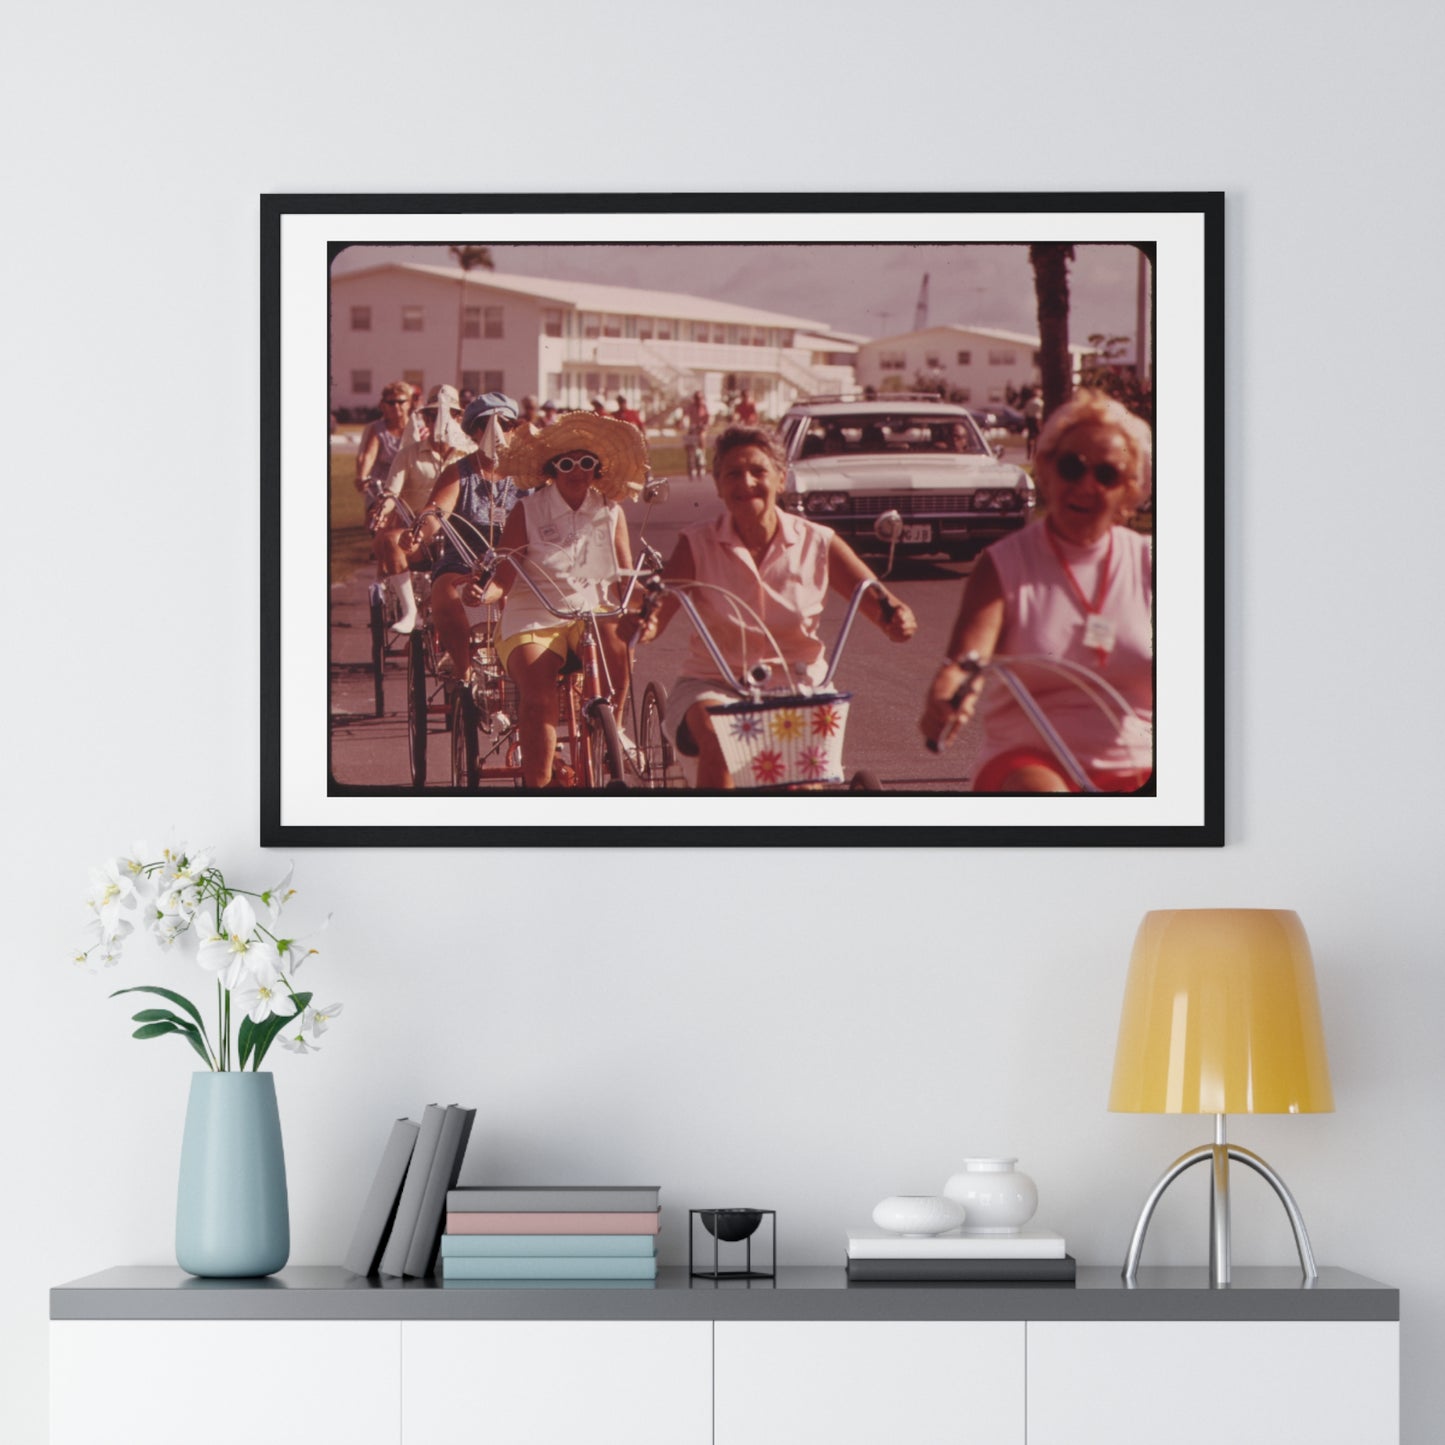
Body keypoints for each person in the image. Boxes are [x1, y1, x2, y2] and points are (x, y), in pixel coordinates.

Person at [631, 427, 917, 789]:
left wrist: (897, 620)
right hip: (715, 683)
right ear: (718, 486)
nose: (746, 483)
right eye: (733, 474)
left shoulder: (818, 541)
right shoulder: (696, 543)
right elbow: (657, 612)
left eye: (758, 472)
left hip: (801, 685)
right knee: (722, 739)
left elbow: (880, 602)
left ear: (781, 480)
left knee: (804, 778)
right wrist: (641, 625)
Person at [919, 388, 1154, 792]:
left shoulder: (1151, 563)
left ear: (1129, 490)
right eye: (1072, 467)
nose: (1086, 485)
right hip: (1030, 758)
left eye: (1106, 475)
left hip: (1138, 758)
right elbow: (966, 660)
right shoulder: (1004, 563)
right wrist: (950, 692)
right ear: (1045, 469)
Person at [490, 413, 648, 788]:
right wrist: (484, 591)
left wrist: (655, 594)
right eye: (566, 464)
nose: (577, 472)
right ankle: (540, 787)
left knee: (618, 644)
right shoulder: (527, 510)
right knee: (538, 699)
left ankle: (614, 730)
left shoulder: (609, 510)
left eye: (586, 462)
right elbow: (503, 577)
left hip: (593, 611)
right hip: (534, 615)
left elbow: (625, 579)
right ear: (552, 469)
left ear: (597, 469)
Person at [402, 393, 522, 679]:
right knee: (444, 592)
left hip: (519, 561)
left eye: (505, 425)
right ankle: (464, 668)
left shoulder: (528, 475)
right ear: (473, 432)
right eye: (485, 425)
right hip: (465, 559)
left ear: (514, 430)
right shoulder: (459, 472)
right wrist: (419, 532)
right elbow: (436, 511)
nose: (496, 432)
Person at [369, 384, 474, 634]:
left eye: (446, 415)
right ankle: (410, 611)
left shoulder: (471, 452)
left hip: (463, 536)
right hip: (420, 535)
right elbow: (392, 492)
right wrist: (382, 510)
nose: (439, 421)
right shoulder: (408, 454)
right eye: (432, 415)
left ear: (458, 418)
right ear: (425, 419)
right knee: (390, 541)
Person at [353, 379, 411, 505]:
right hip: (381, 488)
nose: (396, 406)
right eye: (391, 402)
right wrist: (362, 476)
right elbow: (368, 455)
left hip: (409, 489)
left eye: (401, 402)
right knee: (377, 514)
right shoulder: (377, 429)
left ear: (409, 403)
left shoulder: (418, 429)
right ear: (384, 405)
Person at [682, 390, 710, 479]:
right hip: (693, 428)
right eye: (697, 398)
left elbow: (708, 417)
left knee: (702, 438)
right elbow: (685, 415)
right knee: (689, 444)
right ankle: (691, 464)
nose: (698, 400)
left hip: (701, 429)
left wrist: (705, 425)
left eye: (700, 398)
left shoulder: (704, 407)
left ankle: (702, 462)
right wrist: (683, 422)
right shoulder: (691, 407)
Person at [1022, 388, 1044, 459]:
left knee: (1030, 436)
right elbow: (1041, 412)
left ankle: (1029, 453)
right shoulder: (1040, 402)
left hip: (1030, 419)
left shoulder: (1029, 402)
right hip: (1037, 419)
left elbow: (1025, 412)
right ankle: (1035, 452)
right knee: (1038, 436)